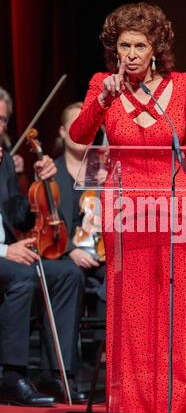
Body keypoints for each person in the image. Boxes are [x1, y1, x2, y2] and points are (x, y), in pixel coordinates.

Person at [70, 2, 186, 413]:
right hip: (125, 211)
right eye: (123, 45)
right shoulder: (101, 85)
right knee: (130, 312)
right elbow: (79, 136)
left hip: (174, 206)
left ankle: (176, 411)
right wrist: (102, 100)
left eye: (139, 45)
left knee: (171, 308)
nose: (129, 54)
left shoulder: (183, 86)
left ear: (155, 48)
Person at [0, 89, 85, 406]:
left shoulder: (4, 160)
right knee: (21, 276)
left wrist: (37, 182)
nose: (0, 126)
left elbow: (18, 217)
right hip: (4, 256)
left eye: (4, 120)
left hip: (10, 251)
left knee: (67, 274)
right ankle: (12, 376)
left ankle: (56, 373)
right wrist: (4, 251)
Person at [54, 102, 106, 336]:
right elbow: (45, 224)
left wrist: (113, 188)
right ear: (63, 132)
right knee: (69, 275)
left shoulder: (104, 172)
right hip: (66, 254)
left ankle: (106, 351)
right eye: (75, 126)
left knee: (122, 274)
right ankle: (66, 366)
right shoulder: (50, 172)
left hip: (102, 251)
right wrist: (71, 249)